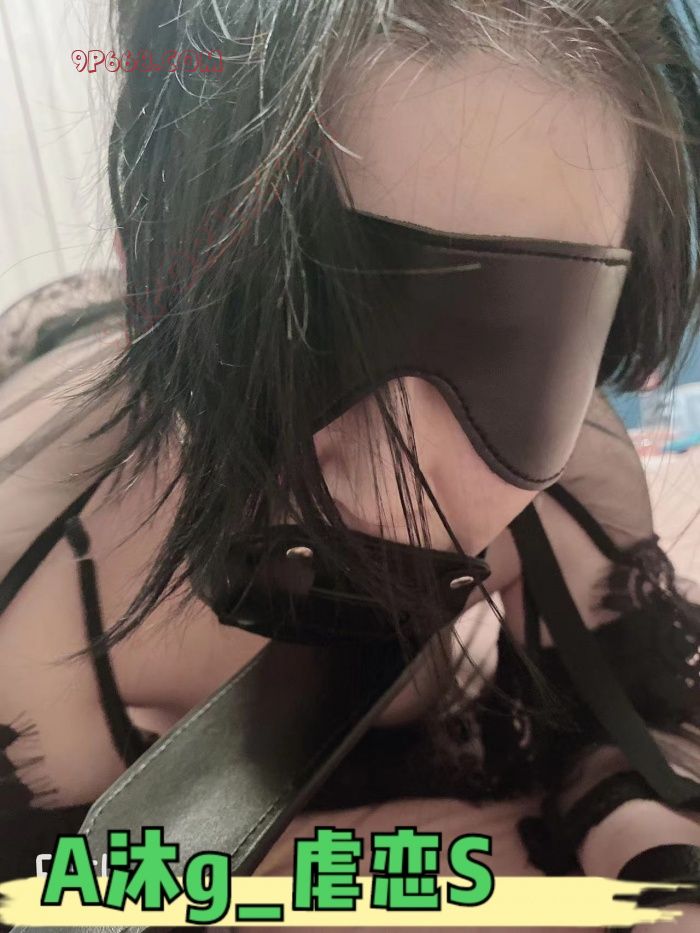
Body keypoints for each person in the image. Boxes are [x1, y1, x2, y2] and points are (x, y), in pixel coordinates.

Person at [2, 1, 700, 930]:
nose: (380, 488)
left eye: (518, 353)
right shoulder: (29, 580)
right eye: (297, 325)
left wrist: (655, 866)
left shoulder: (570, 479)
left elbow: (617, 729)